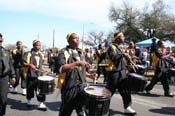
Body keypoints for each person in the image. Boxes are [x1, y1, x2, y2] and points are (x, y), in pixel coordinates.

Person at [56, 32, 96, 116]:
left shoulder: (80, 53)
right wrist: (76, 63)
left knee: (81, 111)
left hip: (82, 87)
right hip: (69, 87)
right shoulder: (63, 52)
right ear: (69, 40)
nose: (78, 40)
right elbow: (60, 69)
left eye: (78, 38)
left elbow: (80, 71)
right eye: (75, 38)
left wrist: (89, 76)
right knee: (66, 111)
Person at [106, 32, 136, 114]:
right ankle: (100, 107)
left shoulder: (120, 48)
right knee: (108, 93)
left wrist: (128, 65)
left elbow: (121, 61)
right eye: (122, 36)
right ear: (117, 38)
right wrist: (123, 54)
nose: (124, 38)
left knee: (126, 91)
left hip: (122, 73)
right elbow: (114, 58)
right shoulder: (111, 47)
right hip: (114, 73)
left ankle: (127, 107)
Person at [23, 40, 49, 110]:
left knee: (40, 90)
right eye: (37, 45)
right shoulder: (28, 54)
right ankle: (29, 102)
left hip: (39, 76)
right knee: (30, 89)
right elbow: (23, 63)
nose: (38, 47)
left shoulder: (41, 54)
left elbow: (40, 66)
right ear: (33, 45)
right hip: (30, 74)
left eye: (39, 45)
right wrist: (30, 65)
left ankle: (41, 104)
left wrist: (45, 70)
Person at [0, 33, 16, 116]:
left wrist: (13, 76)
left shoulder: (6, 52)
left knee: (3, 99)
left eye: (0, 40)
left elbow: (10, 65)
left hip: (3, 78)